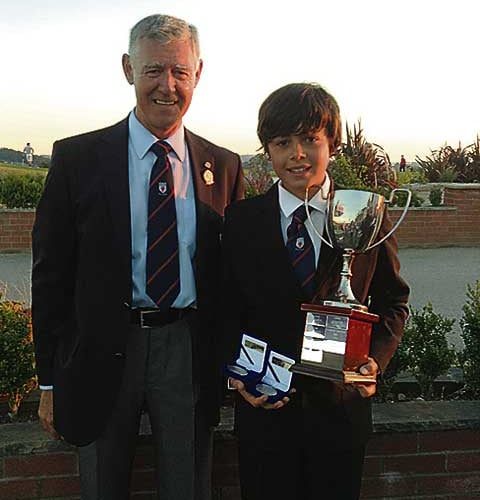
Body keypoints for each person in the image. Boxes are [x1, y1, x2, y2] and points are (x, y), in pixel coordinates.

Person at [32, 14, 244, 500]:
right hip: (103, 348)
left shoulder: (223, 166)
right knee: (102, 486)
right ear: (129, 69)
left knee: (187, 486)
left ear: (197, 73)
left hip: (186, 349)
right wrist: (49, 382)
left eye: (179, 72)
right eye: (153, 70)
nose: (167, 86)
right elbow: (50, 277)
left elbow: (232, 278)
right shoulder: (77, 160)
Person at [221, 83, 409, 500]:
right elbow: (225, 308)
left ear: (333, 144)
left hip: (340, 415)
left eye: (310, 139)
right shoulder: (241, 220)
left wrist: (374, 363)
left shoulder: (366, 215)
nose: (297, 154)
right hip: (266, 413)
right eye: (282, 143)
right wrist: (236, 375)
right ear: (267, 150)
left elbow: (394, 301)